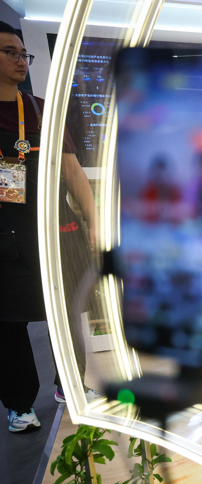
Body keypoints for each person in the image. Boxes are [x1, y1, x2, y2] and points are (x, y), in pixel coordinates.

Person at [0, 22, 95, 432]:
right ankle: (19, 405)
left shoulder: (42, 111)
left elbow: (73, 173)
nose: (20, 60)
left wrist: (94, 221)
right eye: (10, 52)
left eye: (23, 53)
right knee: (8, 324)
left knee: (67, 312)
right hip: (6, 235)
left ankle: (70, 385)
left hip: (57, 230)